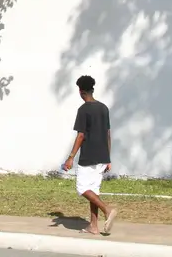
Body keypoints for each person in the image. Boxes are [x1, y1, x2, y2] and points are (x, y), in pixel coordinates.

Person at [62, 75, 117, 235]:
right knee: (93, 190)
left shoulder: (83, 109)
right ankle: (93, 226)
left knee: (82, 188)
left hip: (89, 157)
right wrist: (108, 158)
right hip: (102, 157)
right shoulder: (104, 108)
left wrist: (71, 157)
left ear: (80, 91)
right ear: (92, 89)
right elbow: (108, 134)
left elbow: (81, 135)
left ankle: (107, 210)